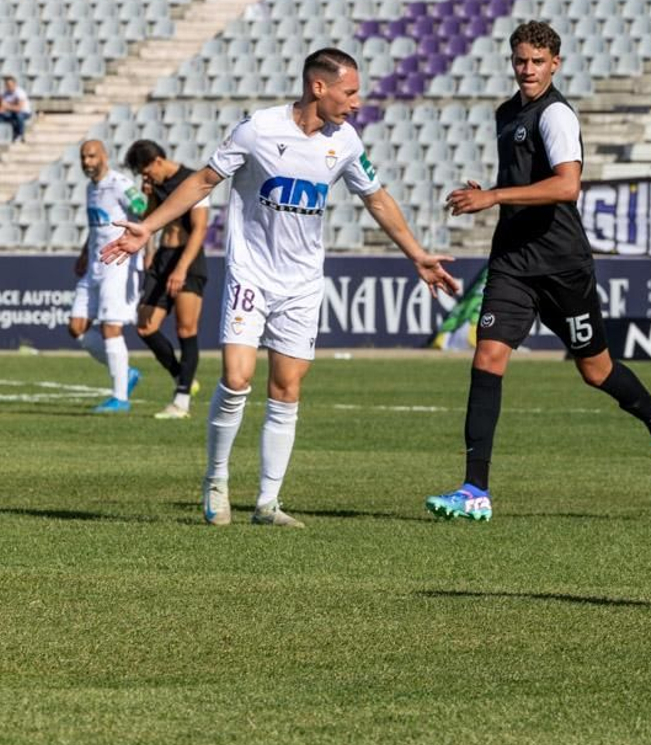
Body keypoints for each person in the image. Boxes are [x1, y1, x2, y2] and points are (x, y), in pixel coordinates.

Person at [101, 49, 458, 527]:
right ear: (318, 87)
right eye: (349, 92)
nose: (356, 102)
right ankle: (217, 479)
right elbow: (206, 180)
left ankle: (268, 503)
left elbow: (376, 198)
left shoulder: (346, 142)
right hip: (252, 274)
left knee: (286, 388)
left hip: (302, 283)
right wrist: (149, 225)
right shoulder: (258, 129)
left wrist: (416, 252)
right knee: (237, 377)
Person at [426, 22, 651, 522]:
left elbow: (567, 187)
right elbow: (526, 179)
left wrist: (495, 195)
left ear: (555, 64)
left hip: (562, 264)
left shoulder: (557, 114)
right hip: (513, 262)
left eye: (537, 62)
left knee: (596, 370)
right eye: (521, 60)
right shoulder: (506, 113)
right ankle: (474, 488)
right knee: (487, 358)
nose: (527, 69)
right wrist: (494, 189)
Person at [124, 140, 209, 420]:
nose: (145, 178)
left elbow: (199, 230)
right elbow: (150, 222)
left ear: (158, 161)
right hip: (162, 257)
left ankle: (181, 401)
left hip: (188, 259)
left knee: (186, 329)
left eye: (147, 172)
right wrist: (150, 251)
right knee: (145, 326)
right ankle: (182, 377)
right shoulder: (154, 185)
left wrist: (181, 268)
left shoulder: (193, 181)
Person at [71, 140, 147, 415]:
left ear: (104, 156)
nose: (87, 162)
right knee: (77, 327)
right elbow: (97, 227)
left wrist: (143, 244)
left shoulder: (119, 183)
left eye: (91, 156)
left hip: (118, 265)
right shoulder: (90, 189)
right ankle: (126, 372)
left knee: (110, 328)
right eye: (83, 157)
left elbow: (143, 209)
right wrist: (83, 253)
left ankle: (120, 397)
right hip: (93, 265)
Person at [1, 75, 31, 142]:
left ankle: (20, 134)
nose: (9, 86)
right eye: (7, 85)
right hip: (11, 112)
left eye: (10, 84)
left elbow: (19, 109)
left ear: (15, 84)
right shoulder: (5, 93)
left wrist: (7, 106)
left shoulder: (20, 92)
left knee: (18, 115)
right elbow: (2, 107)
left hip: (24, 113)